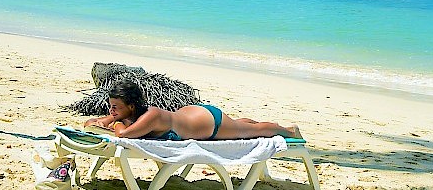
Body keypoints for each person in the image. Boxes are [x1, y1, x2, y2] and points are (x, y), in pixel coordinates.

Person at [84, 80, 302, 140]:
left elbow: (123, 133)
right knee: (237, 125)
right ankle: (242, 121)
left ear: (130, 106)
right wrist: (107, 120)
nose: (111, 110)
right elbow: (90, 123)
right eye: (110, 106)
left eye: (115, 107)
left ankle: (289, 130)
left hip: (209, 123)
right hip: (191, 114)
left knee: (249, 131)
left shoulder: (151, 116)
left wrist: (112, 122)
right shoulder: (132, 113)